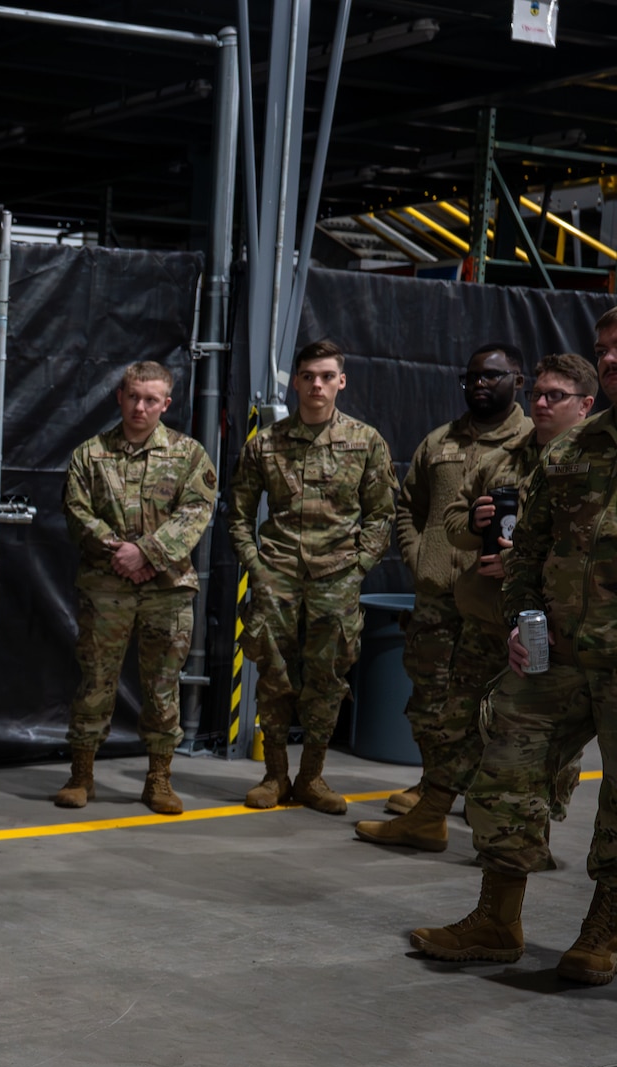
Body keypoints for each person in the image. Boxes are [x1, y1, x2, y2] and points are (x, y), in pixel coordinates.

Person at [411, 314, 617, 987]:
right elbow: (525, 550)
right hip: (556, 653)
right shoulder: (574, 452)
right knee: (505, 765)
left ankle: (602, 929)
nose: (609, 359)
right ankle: (498, 919)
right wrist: (526, 615)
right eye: (603, 350)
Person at [358, 352, 591, 851]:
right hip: (485, 618)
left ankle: (532, 838)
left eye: (556, 396)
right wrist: (475, 526)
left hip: (552, 630)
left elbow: (592, 550)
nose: (543, 403)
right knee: (454, 723)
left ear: (586, 405)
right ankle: (430, 816)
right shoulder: (501, 459)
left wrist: (524, 565)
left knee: (539, 743)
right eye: (539, 394)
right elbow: (451, 522)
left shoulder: (591, 467)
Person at [229, 339, 398, 813]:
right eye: (308, 376)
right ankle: (275, 776)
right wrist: (255, 566)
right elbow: (238, 513)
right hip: (276, 575)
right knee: (273, 677)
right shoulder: (266, 444)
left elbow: (383, 514)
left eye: (326, 376)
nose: (317, 385)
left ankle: (312, 778)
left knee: (327, 679)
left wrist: (359, 566)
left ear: (341, 381)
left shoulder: (365, 442)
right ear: (296, 381)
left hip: (336, 578)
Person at [55, 361, 218, 815]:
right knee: (95, 682)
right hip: (105, 589)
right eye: (133, 396)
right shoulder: (90, 455)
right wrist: (121, 554)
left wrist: (146, 554)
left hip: (167, 591)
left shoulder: (189, 455)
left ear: (166, 404)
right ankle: (81, 775)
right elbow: (77, 513)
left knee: (163, 688)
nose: (140, 407)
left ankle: (159, 779)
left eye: (151, 400)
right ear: (120, 398)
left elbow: (195, 513)